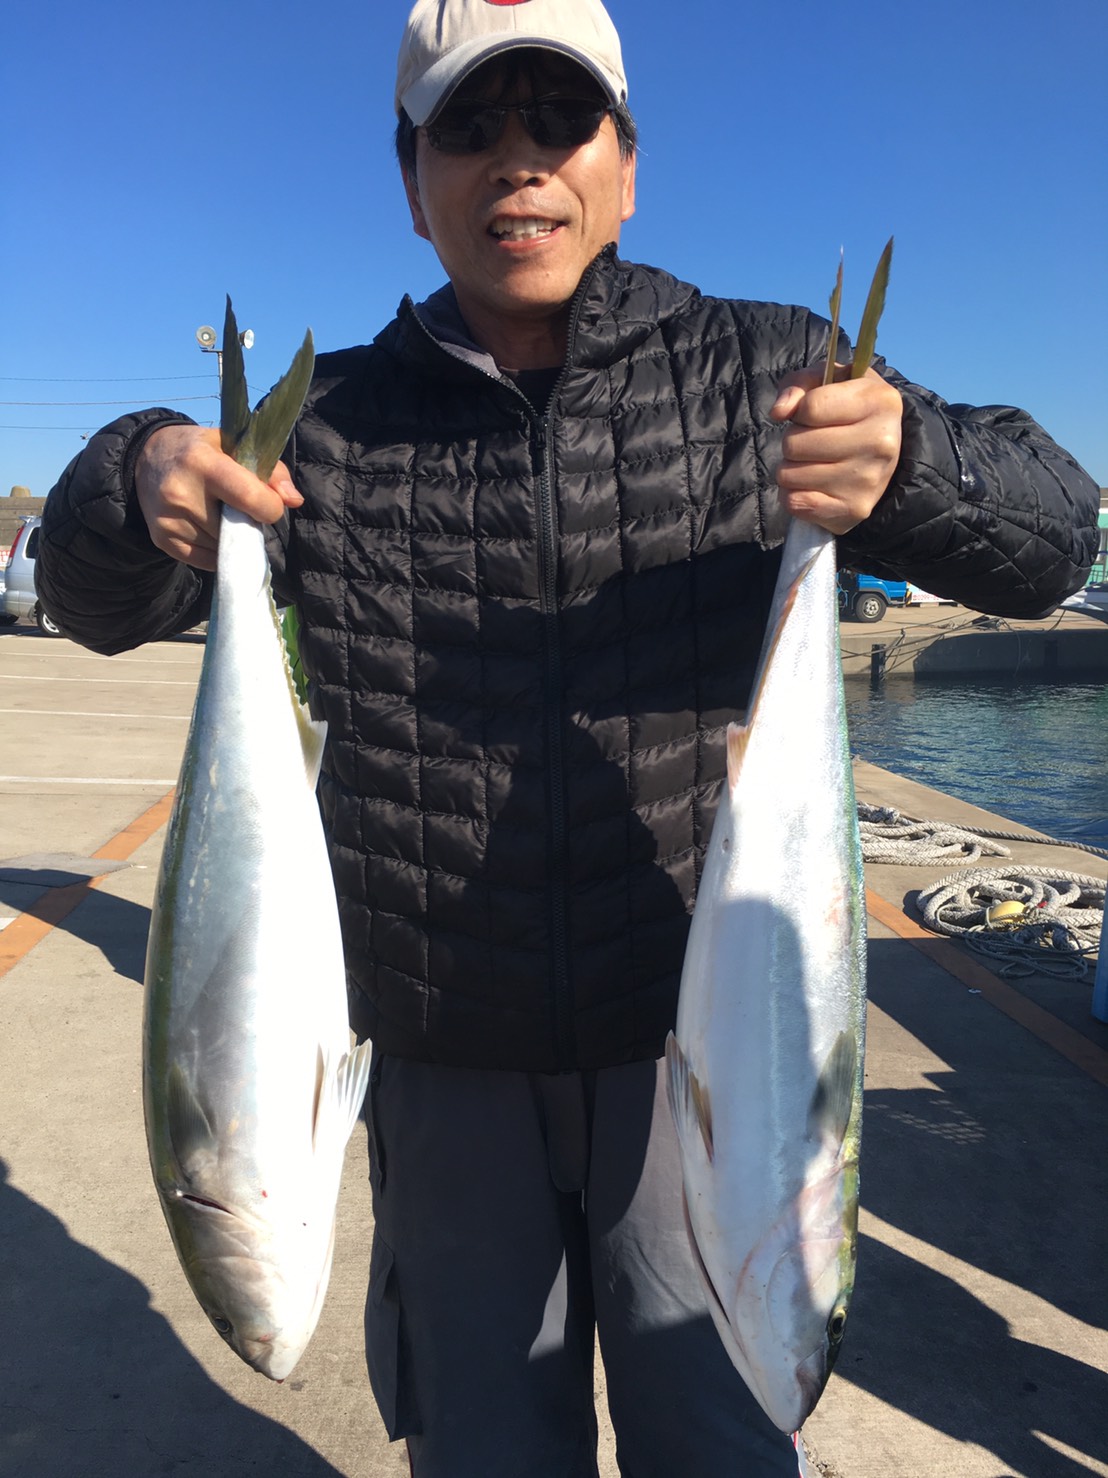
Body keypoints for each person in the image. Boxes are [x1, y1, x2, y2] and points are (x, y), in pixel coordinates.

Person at [37, 1, 1099, 1473]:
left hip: (706, 1044)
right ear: (413, 184)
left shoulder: (770, 369)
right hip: (441, 1060)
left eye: (560, 118)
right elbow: (94, 606)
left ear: (628, 167)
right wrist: (131, 474)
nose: (519, 159)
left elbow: (1055, 538)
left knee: (724, 1437)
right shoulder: (326, 429)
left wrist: (916, 462)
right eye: (470, 126)